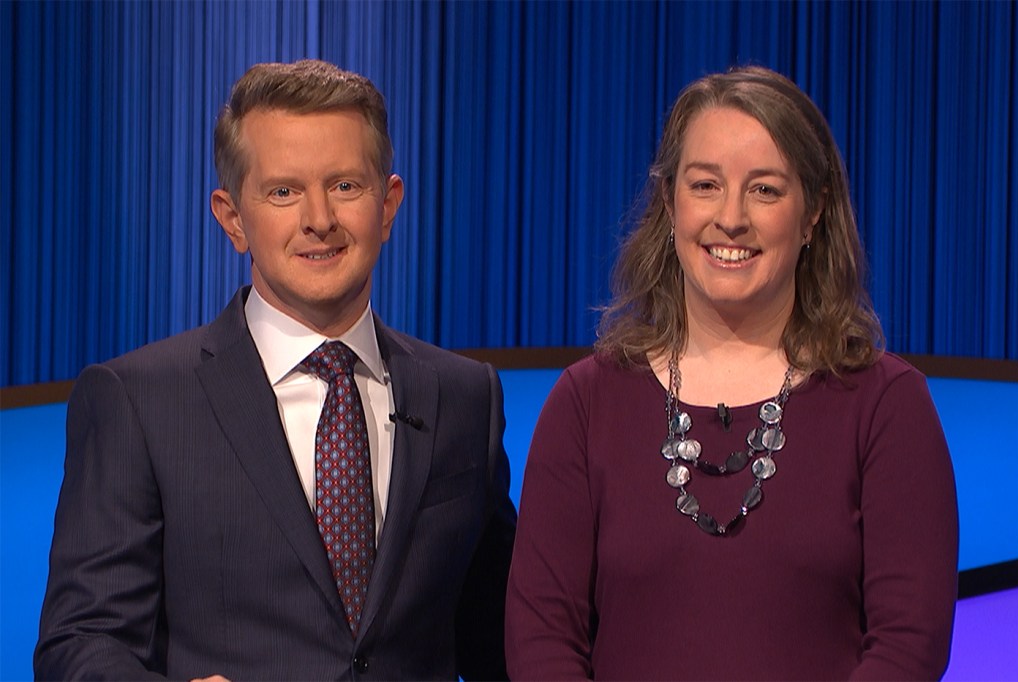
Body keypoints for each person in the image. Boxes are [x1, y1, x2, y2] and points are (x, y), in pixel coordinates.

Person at [35, 59, 516, 681]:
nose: (319, 218)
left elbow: (501, 640)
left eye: (345, 185)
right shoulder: (138, 401)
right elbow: (81, 644)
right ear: (232, 217)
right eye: (284, 192)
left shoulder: (464, 395)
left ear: (389, 203)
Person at [505, 66, 958, 680]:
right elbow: (541, 640)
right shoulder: (585, 404)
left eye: (765, 190)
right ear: (669, 203)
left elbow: (909, 644)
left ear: (814, 211)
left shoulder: (885, 405)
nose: (732, 219)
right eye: (705, 185)